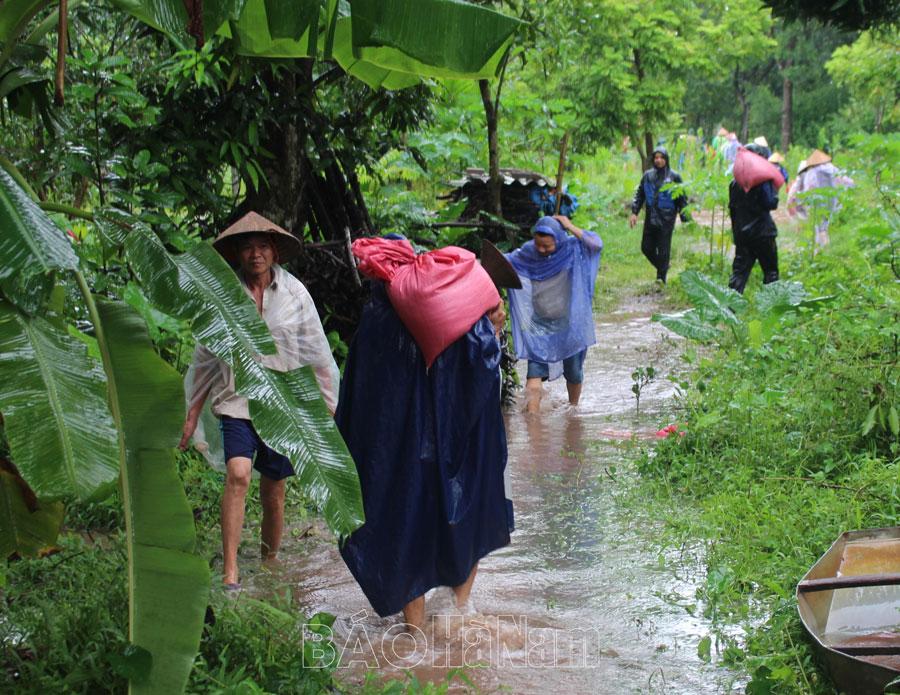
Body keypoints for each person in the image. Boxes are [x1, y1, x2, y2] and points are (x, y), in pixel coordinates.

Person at [336, 237, 517, 631]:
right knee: (471, 513)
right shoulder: (463, 319)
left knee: (403, 525)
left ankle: (414, 634)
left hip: (397, 450)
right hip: (453, 442)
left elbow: (358, 394)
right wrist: (493, 333)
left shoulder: (377, 318)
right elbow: (480, 382)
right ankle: (457, 613)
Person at [179, 212, 339, 588]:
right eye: (248, 247)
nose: (255, 254)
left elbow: (316, 350)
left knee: (274, 489)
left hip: (283, 405)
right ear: (237, 254)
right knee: (238, 474)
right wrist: (192, 412)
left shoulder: (295, 294)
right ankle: (231, 570)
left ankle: (269, 559)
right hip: (237, 401)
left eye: (262, 246)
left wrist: (328, 407)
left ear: (275, 251)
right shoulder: (224, 295)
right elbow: (206, 356)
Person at [506, 214, 602, 413]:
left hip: (569, 324)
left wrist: (569, 225)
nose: (541, 250)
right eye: (538, 244)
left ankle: (573, 410)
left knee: (574, 373)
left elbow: (595, 245)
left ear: (558, 240)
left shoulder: (570, 249)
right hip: (539, 324)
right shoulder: (528, 253)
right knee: (534, 374)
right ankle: (533, 422)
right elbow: (504, 263)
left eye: (547, 246)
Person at [629, 146, 689, 284]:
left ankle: (661, 279)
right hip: (651, 217)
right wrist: (634, 212)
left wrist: (685, 219)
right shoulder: (647, 176)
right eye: (656, 157)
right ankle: (663, 267)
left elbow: (682, 199)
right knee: (646, 247)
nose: (658, 160)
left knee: (663, 249)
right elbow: (640, 195)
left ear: (666, 159)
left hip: (667, 218)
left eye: (661, 157)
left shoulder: (674, 177)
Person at [727, 143, 780, 293]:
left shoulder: (734, 184)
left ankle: (729, 311)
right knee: (771, 273)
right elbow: (771, 203)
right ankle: (773, 308)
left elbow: (733, 211)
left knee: (738, 275)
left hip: (743, 236)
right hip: (764, 234)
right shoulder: (763, 181)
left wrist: (736, 235)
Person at [786, 149, 851, 249]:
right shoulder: (832, 168)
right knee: (826, 224)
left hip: (816, 202)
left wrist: (794, 204)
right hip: (831, 199)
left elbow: (803, 190)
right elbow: (847, 182)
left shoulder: (809, 172)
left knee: (817, 225)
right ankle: (824, 248)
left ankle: (818, 250)